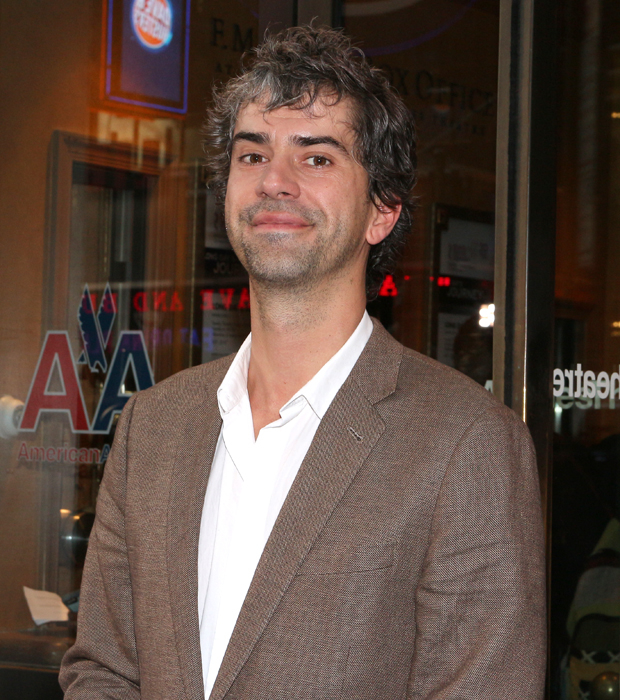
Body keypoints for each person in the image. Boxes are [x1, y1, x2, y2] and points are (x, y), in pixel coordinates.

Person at [60, 25, 546, 700]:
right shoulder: (152, 426)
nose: (275, 182)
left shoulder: (467, 442)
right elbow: (102, 672)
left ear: (383, 210)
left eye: (316, 159)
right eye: (252, 155)